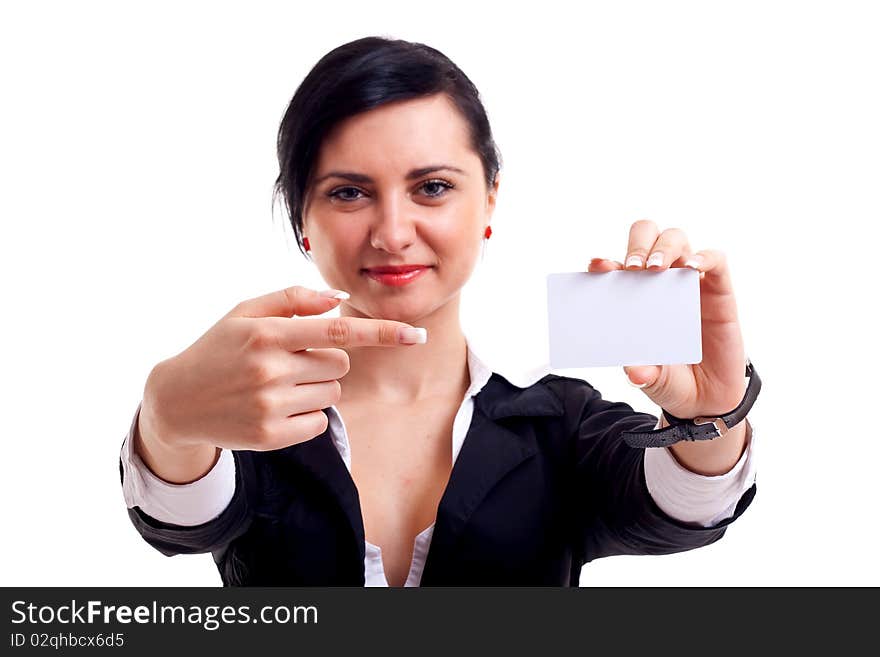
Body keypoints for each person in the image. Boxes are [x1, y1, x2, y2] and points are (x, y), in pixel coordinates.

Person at [119, 36, 758, 586]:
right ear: (302, 222)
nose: (393, 233)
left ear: (489, 203)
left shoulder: (557, 423)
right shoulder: (251, 411)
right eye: (348, 192)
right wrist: (169, 417)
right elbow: (181, 519)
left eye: (433, 187)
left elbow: (678, 511)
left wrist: (711, 417)